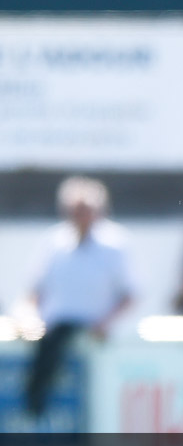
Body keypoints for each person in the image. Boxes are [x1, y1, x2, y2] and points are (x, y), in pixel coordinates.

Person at [25, 176, 135, 417]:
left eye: (85, 210)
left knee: (101, 403)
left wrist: (106, 323)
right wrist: (33, 320)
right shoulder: (53, 243)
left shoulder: (115, 244)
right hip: (55, 334)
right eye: (75, 210)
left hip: (99, 337)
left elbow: (132, 294)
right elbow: (35, 290)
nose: (80, 216)